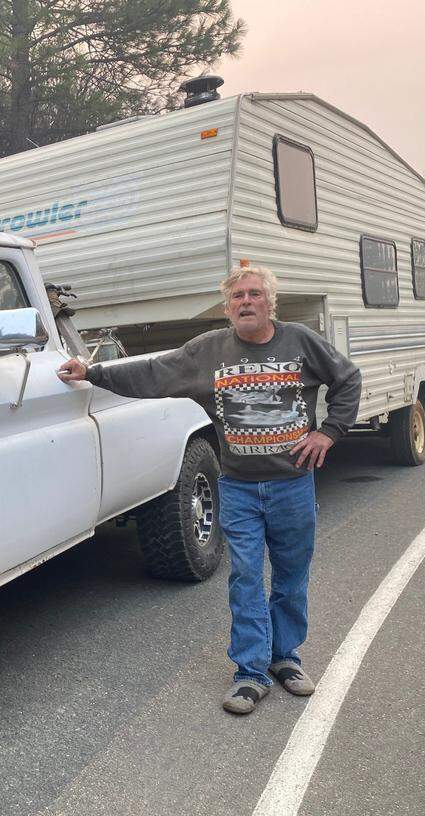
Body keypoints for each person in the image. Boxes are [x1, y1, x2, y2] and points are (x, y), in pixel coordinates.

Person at [58, 267, 361, 715]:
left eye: (254, 294)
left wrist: (329, 432)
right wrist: (93, 372)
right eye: (237, 296)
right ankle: (251, 672)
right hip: (238, 487)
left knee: (291, 577)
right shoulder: (210, 351)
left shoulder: (300, 342)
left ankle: (286, 658)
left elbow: (348, 379)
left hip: (292, 484)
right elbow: (153, 372)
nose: (246, 302)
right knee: (245, 578)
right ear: (228, 306)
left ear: (269, 302)